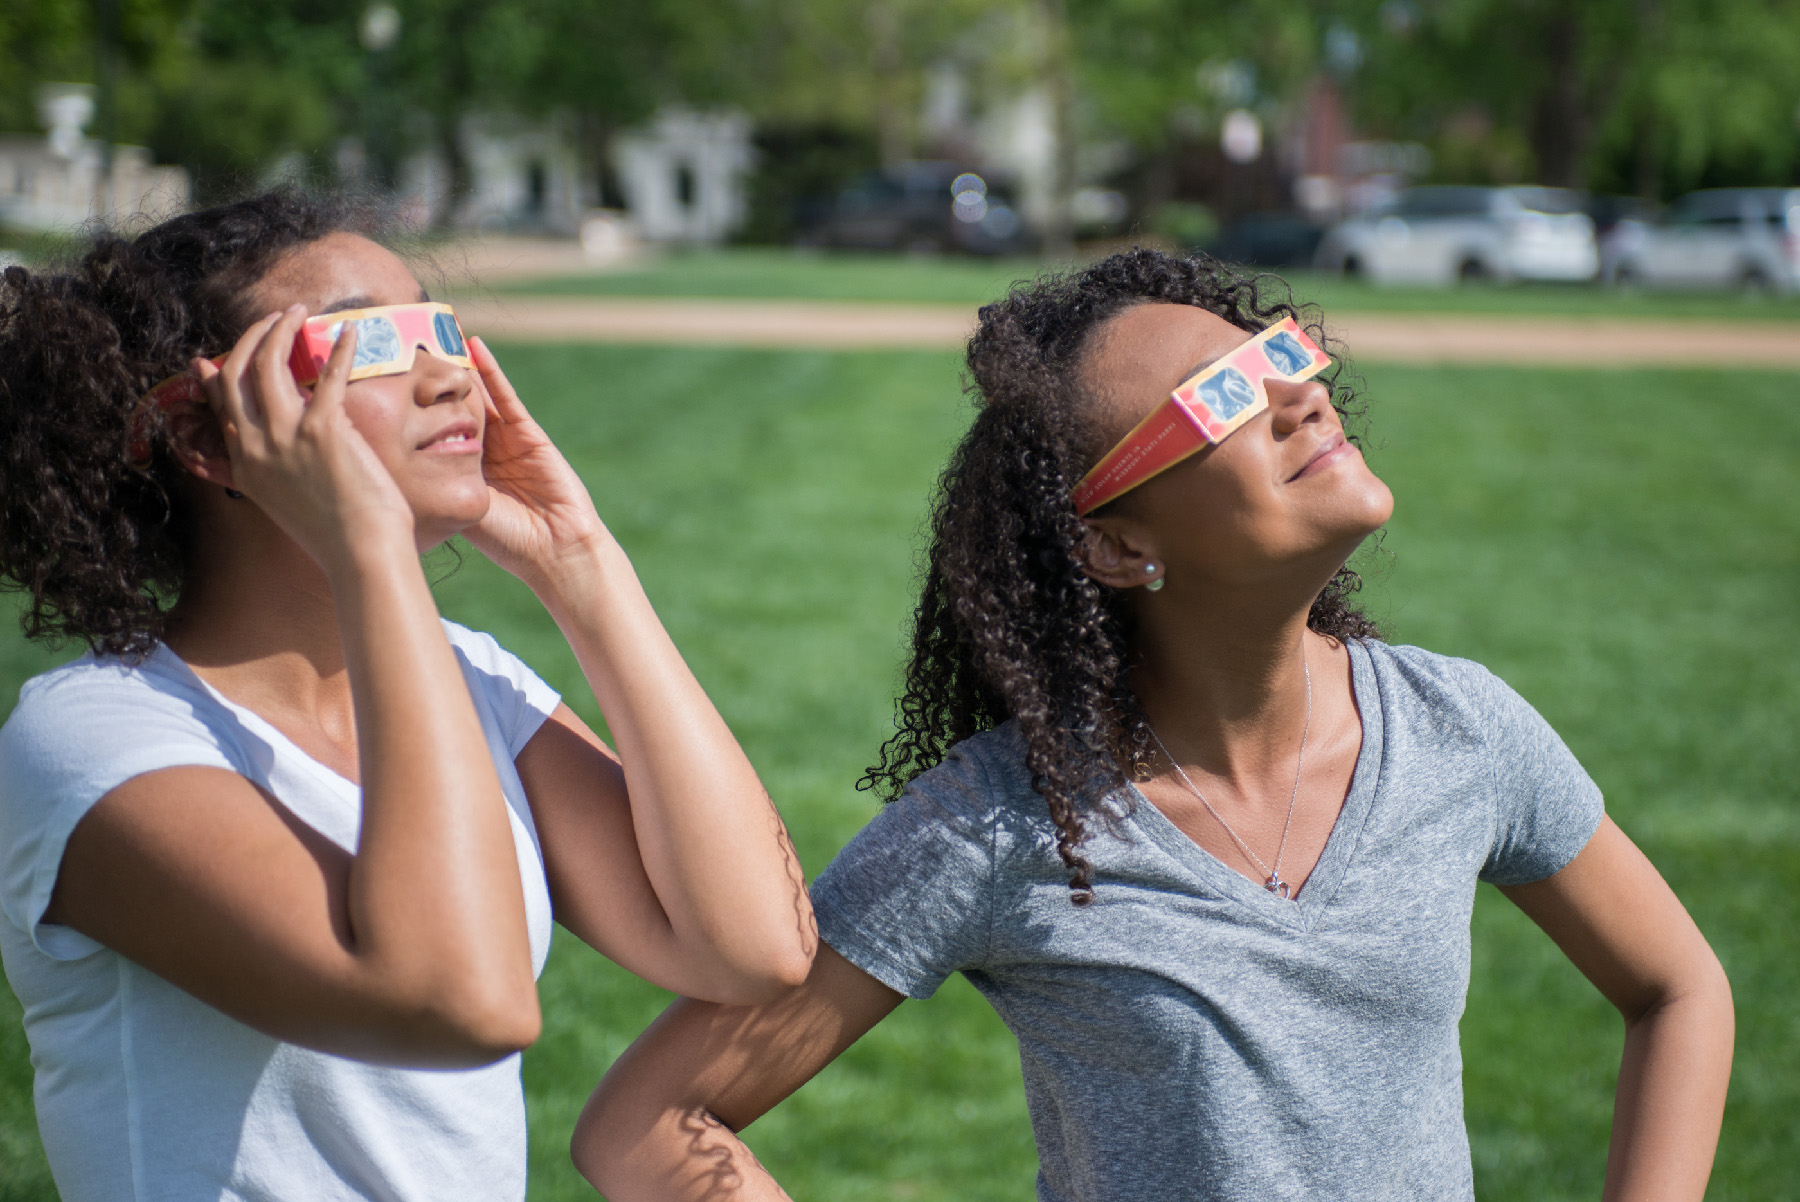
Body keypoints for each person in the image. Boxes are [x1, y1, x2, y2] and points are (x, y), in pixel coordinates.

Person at [573, 249, 1733, 1200]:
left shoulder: (1460, 728)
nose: (1299, 390)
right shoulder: (1007, 822)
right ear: (1120, 544)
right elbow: (646, 1121)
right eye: (1222, 396)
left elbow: (1678, 987)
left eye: (1279, 352)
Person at [0, 190, 814, 1200]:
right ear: (210, 438)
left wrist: (583, 566)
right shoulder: (92, 738)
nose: (446, 374)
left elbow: (753, 947)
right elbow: (461, 1001)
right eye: (367, 342)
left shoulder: (469, 678)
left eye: (438, 326)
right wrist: (370, 549)